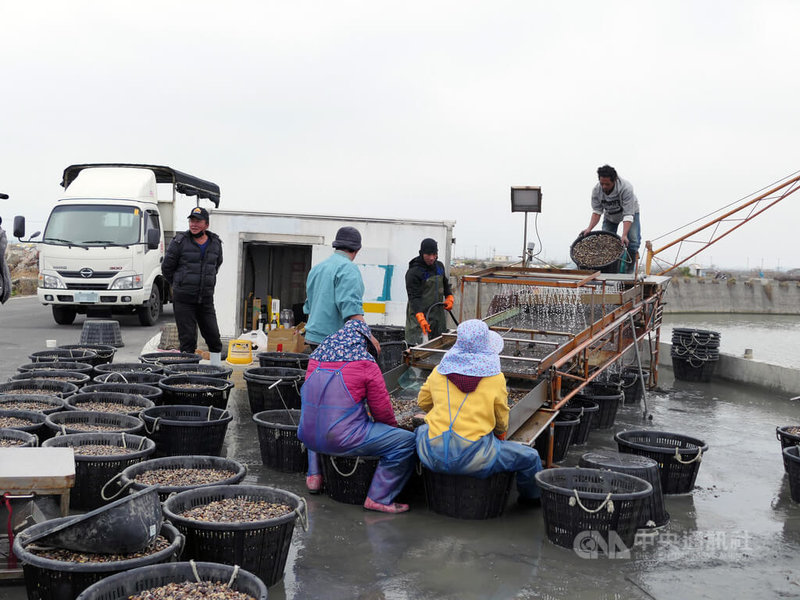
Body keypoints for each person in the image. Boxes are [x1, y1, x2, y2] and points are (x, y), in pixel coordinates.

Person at [414, 319, 543, 507]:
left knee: (419, 431)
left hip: (432, 453)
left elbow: (423, 402)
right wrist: (500, 436)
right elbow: (501, 421)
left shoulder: (438, 372)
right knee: (530, 457)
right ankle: (529, 502)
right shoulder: (495, 378)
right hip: (475, 457)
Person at [297, 319, 416, 513]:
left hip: (306, 435)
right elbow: (382, 412)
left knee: (319, 422)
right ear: (364, 342)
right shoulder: (365, 364)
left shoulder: (315, 359)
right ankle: (378, 498)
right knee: (406, 442)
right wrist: (390, 431)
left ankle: (314, 477)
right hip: (341, 439)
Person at [162, 206, 223, 365]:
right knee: (188, 341)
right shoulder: (179, 241)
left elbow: (216, 265)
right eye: (191, 221)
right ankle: (188, 375)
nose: (193, 224)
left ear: (206, 225)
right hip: (184, 299)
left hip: (205, 299)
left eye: (198, 221)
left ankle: (216, 371)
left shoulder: (215, 243)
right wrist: (179, 284)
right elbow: (167, 268)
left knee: (214, 338)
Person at [303, 226, 379, 353]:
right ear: (357, 249)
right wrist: (370, 337)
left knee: (320, 373)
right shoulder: (349, 269)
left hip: (313, 338)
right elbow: (351, 310)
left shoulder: (317, 268)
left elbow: (308, 307)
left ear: (336, 245)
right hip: (335, 341)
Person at [581, 164, 641, 274]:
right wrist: (589, 228)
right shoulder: (596, 190)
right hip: (610, 215)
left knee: (632, 241)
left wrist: (624, 235)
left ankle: (628, 271)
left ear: (615, 180)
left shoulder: (626, 188)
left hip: (630, 213)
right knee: (606, 242)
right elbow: (597, 212)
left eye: (607, 184)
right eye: (602, 183)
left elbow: (628, 214)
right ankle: (608, 270)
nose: (604, 187)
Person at [405, 238, 454, 345]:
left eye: (434, 254)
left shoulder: (439, 267)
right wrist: (420, 317)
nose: (432, 258)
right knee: (418, 350)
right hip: (419, 319)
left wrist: (449, 296)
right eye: (428, 254)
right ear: (422, 253)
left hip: (437, 318)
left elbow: (445, 284)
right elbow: (414, 297)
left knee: (437, 348)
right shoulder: (414, 272)